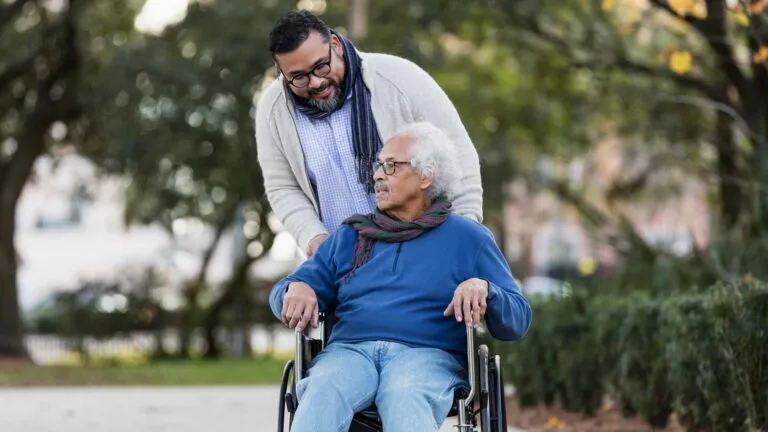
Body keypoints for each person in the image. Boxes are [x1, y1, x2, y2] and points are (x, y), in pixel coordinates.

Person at [268, 122, 531, 432]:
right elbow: (283, 293)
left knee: (404, 393)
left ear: (426, 175)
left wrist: (486, 289)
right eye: (378, 165)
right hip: (350, 353)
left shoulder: (469, 238)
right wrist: (295, 288)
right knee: (323, 388)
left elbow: (518, 318)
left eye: (391, 166)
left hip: (427, 356)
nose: (378, 175)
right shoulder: (351, 236)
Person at [255, 10, 483, 258]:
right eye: (298, 77)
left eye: (321, 66)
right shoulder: (273, 109)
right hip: (344, 268)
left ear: (335, 44)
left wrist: (463, 236)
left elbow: (458, 156)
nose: (315, 83)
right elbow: (282, 187)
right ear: (281, 72)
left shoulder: (401, 78)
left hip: (424, 254)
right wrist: (314, 239)